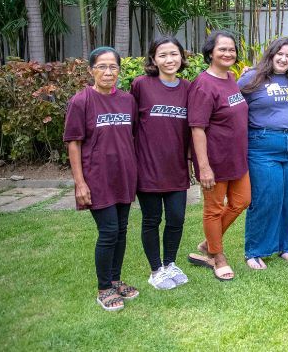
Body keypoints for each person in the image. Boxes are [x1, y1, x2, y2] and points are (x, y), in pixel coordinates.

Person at [64, 46, 139, 311]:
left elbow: (130, 136)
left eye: (113, 67)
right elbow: (74, 143)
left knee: (121, 230)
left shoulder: (128, 100)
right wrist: (80, 183)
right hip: (97, 178)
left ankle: (115, 279)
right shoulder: (81, 101)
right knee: (108, 232)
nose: (108, 72)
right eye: (102, 67)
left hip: (124, 176)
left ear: (120, 70)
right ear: (91, 70)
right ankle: (104, 287)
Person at [239, 38, 288, 269]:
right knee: (266, 197)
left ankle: (285, 247)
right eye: (279, 54)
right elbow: (230, 103)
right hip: (264, 146)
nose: (283, 59)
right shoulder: (250, 78)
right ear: (270, 55)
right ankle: (255, 250)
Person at [186, 31, 250, 281]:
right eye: (222, 49)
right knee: (213, 209)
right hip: (215, 159)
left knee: (242, 201)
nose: (228, 53)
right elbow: (197, 128)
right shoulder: (203, 85)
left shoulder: (231, 77)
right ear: (210, 52)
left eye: (232, 49)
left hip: (237, 157)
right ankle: (217, 256)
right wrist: (203, 167)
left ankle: (208, 244)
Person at [131, 37, 191, 290]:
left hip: (176, 167)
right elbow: (131, 125)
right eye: (163, 55)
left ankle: (169, 264)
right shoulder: (141, 85)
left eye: (174, 54)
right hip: (148, 167)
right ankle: (155, 270)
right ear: (153, 60)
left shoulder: (188, 87)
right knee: (151, 219)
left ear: (181, 57)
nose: (169, 60)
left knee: (176, 218)